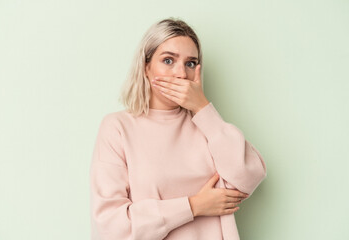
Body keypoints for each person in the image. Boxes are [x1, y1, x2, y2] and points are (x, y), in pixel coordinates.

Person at [89, 17, 267, 240]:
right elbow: (112, 226)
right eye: (168, 60)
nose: (181, 74)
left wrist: (202, 108)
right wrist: (194, 206)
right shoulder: (118, 128)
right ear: (146, 67)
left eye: (190, 63)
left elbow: (249, 176)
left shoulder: (208, 127)